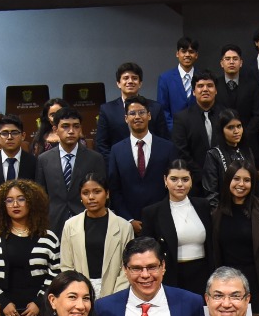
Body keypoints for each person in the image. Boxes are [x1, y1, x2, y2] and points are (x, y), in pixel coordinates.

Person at [208, 163, 259, 316]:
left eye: (247, 180)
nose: (241, 184)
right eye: (236, 179)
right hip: (229, 287)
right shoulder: (217, 214)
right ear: (228, 181)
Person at [0, 179, 59, 316]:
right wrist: (3, 302)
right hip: (3, 311)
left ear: (31, 202)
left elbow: (56, 274)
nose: (15, 204)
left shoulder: (48, 237)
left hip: (42, 311)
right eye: (9, 200)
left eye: (21, 199)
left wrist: (39, 302)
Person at [109, 96, 186, 226]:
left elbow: (174, 184)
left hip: (163, 219)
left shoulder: (167, 147)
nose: (137, 117)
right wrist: (128, 220)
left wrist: (164, 214)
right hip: (128, 222)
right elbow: (115, 190)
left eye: (141, 112)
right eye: (132, 113)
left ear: (149, 116)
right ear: (126, 118)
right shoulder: (116, 150)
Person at [141, 161, 213, 296]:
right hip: (172, 276)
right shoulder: (152, 212)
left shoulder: (203, 206)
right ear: (165, 180)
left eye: (185, 179)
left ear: (191, 181)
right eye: (174, 179)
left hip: (204, 274)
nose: (180, 184)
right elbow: (148, 251)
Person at [60, 174, 133, 300]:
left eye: (97, 192)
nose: (91, 197)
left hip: (115, 291)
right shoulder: (70, 225)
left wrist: (115, 296)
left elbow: (127, 266)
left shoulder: (124, 227)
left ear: (107, 194)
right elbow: (66, 265)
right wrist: (78, 293)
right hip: (79, 292)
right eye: (85, 193)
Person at [95, 62, 166, 158]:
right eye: (125, 78)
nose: (130, 81)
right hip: (119, 163)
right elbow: (101, 144)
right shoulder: (107, 110)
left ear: (140, 83)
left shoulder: (155, 108)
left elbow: (164, 140)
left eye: (134, 78)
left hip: (152, 162)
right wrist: (114, 164)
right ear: (118, 83)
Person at [170, 72, 230, 176]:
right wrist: (203, 176)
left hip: (224, 177)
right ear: (194, 91)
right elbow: (182, 152)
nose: (205, 89)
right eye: (200, 86)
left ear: (216, 90)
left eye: (210, 85)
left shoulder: (227, 116)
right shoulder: (182, 118)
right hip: (194, 179)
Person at [203, 113, 256, 209]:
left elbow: (255, 185)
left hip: (249, 209)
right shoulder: (214, 154)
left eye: (239, 126)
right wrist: (218, 215)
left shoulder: (247, 151)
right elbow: (211, 193)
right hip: (224, 210)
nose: (236, 131)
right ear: (221, 130)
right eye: (230, 127)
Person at [156, 37, 204, 128]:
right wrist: (174, 130)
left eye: (191, 52)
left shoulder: (204, 77)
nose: (187, 55)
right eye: (184, 51)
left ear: (196, 55)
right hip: (174, 131)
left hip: (200, 130)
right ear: (177, 54)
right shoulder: (165, 79)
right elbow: (163, 110)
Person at [0, 113, 32, 196]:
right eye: (4, 133)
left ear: (23, 136)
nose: (10, 137)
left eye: (15, 133)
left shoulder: (34, 163)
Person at [216, 46, 259, 131]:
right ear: (222, 63)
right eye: (227, 59)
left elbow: (257, 115)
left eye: (235, 59)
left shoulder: (252, 85)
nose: (231, 62)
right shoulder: (215, 85)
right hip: (221, 134)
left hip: (247, 134)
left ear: (241, 63)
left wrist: (244, 134)